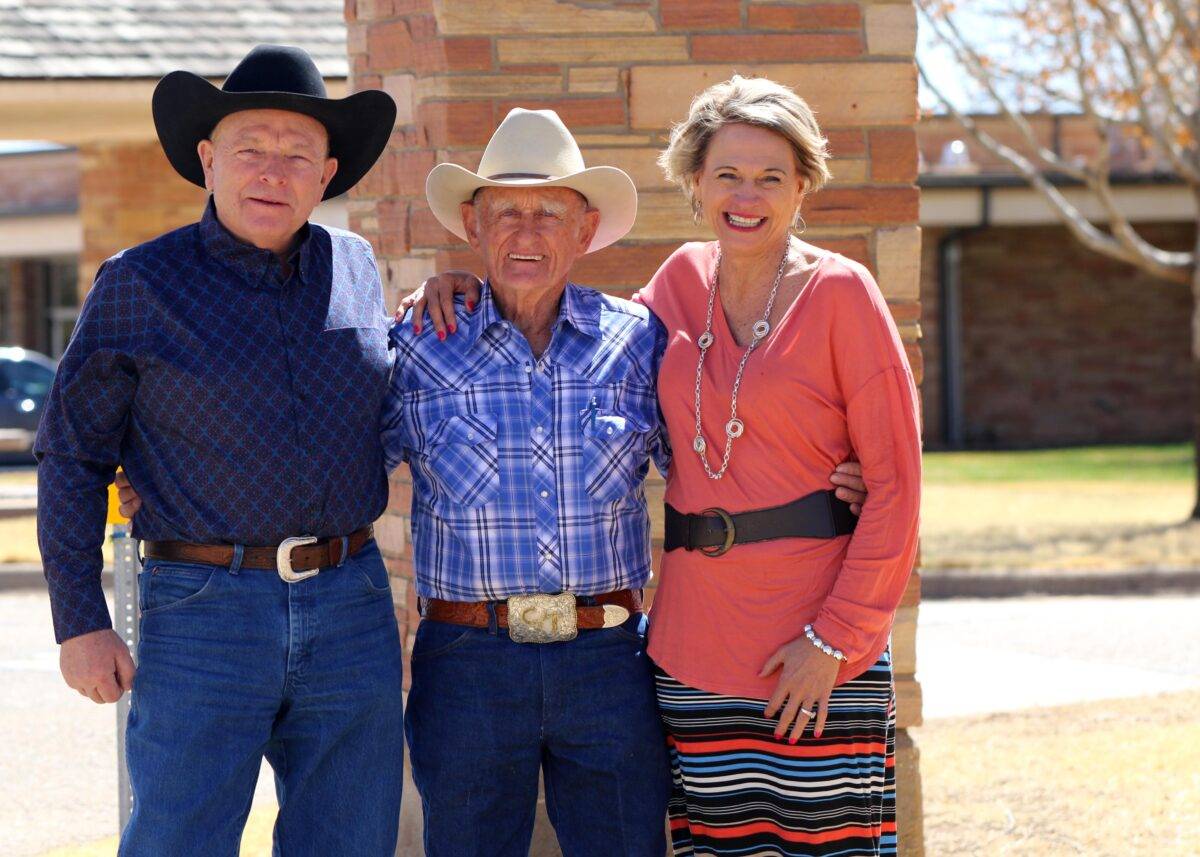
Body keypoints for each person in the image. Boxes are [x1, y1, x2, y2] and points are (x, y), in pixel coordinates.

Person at [406, 75, 920, 856]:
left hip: (798, 639)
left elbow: (896, 487)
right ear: (694, 182)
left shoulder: (839, 294)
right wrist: (453, 288)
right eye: (727, 174)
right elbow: (553, 321)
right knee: (714, 845)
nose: (745, 195)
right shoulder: (673, 290)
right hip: (689, 647)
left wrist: (837, 638)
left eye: (769, 177)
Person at [35, 45, 405, 856]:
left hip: (352, 604)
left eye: (297, 154)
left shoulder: (357, 268)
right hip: (203, 607)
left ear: (327, 172)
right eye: (251, 149)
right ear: (208, 161)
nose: (272, 171)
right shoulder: (138, 282)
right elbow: (71, 453)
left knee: (351, 839)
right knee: (180, 840)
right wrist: (80, 621)